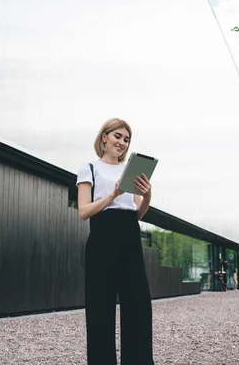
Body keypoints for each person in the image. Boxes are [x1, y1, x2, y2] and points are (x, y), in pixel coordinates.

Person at [76, 118, 154, 365]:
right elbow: (84, 211)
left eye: (126, 139)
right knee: (100, 309)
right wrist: (113, 194)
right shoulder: (89, 168)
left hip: (129, 236)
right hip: (102, 238)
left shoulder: (127, 171)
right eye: (118, 136)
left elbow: (136, 213)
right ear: (104, 137)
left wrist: (147, 195)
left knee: (138, 307)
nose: (122, 143)